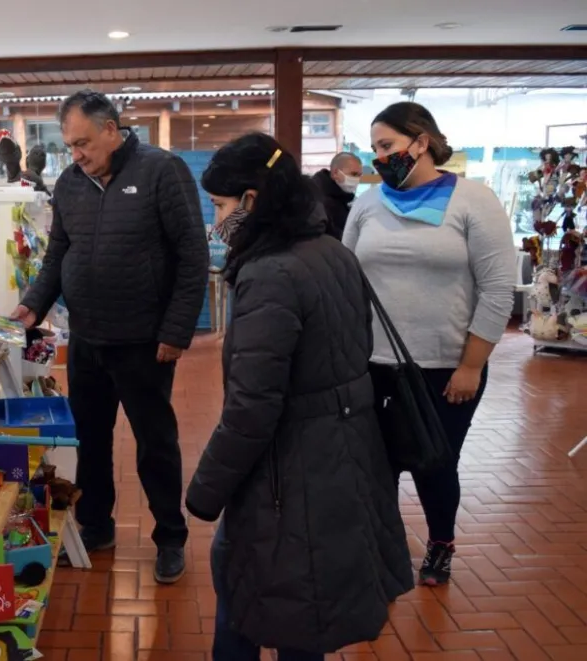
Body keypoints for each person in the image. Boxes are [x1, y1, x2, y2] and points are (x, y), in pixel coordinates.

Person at [185, 133, 413, 661]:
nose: (218, 219)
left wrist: (204, 491)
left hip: (288, 471)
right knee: (308, 604)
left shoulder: (269, 274)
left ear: (252, 200)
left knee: (249, 589)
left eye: (221, 205)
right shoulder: (331, 251)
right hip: (344, 455)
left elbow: (252, 408)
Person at [12, 90, 209, 583]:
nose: (76, 154)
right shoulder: (69, 183)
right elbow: (58, 255)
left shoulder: (162, 171)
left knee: (154, 444)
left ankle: (170, 537)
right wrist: (32, 304)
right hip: (88, 339)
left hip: (145, 341)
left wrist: (177, 330)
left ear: (111, 130)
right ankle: (96, 525)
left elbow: (192, 257)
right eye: (69, 145)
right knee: (90, 441)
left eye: (83, 142)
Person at [343, 102, 515, 586]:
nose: (379, 158)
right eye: (374, 148)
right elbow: (346, 272)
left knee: (435, 463)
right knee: (375, 465)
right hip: (371, 362)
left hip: (444, 366)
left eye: (387, 146)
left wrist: (471, 366)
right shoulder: (368, 202)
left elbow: (498, 288)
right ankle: (381, 545)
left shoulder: (473, 200)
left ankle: (441, 542)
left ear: (421, 142)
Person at [311, 152, 363, 239]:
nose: (356, 180)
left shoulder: (344, 197)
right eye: (353, 174)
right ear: (335, 173)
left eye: (359, 175)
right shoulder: (319, 199)